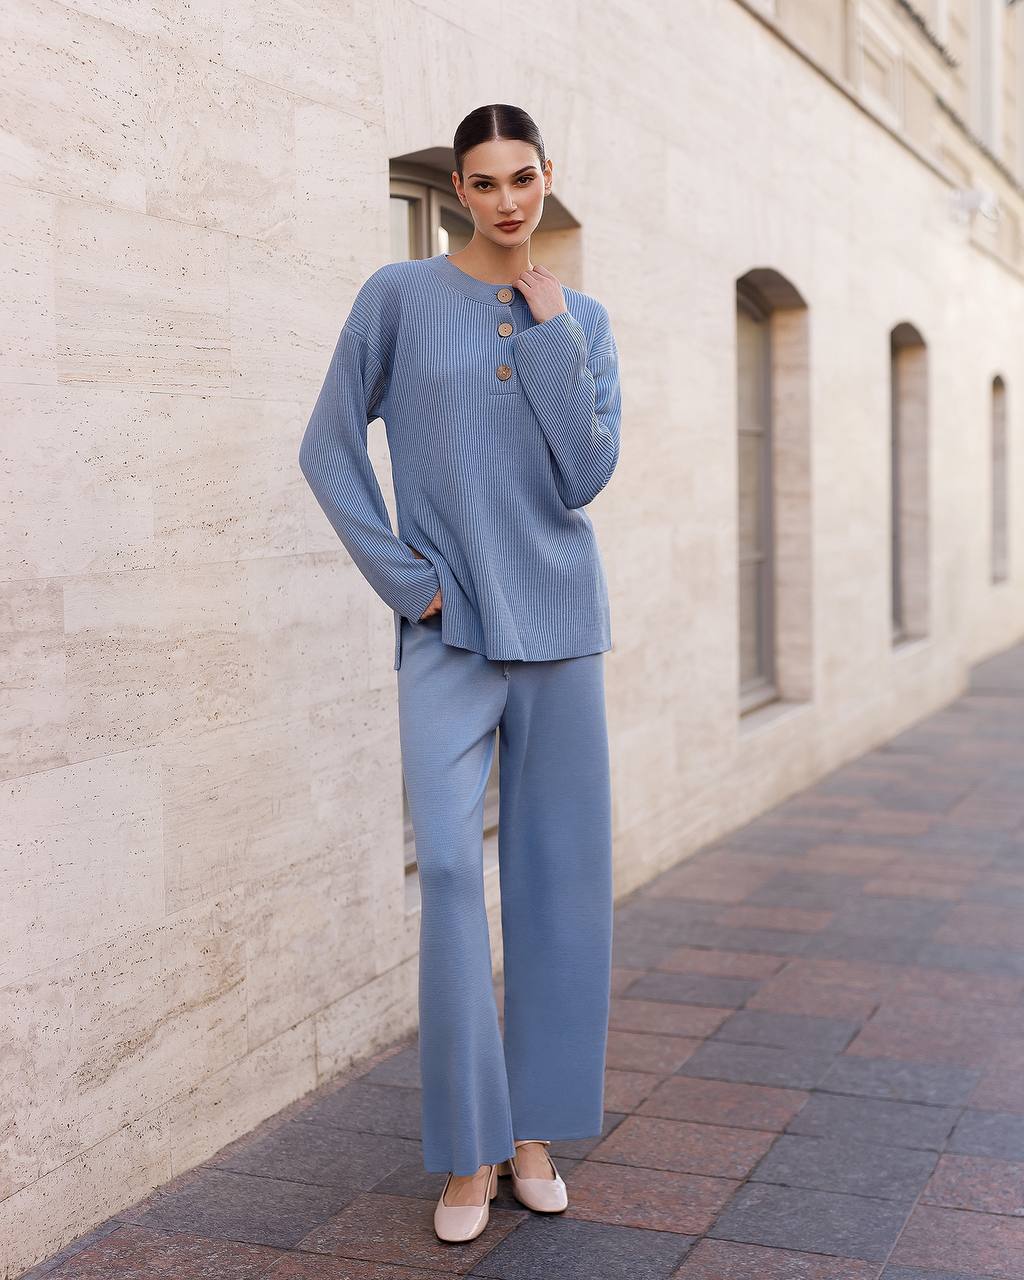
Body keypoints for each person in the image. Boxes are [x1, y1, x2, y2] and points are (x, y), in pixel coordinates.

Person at [298, 103, 622, 1243]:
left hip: (560, 624)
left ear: (547, 177)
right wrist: (407, 581)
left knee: (557, 882)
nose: (506, 201)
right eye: (483, 183)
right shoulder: (396, 298)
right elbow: (327, 444)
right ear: (454, 189)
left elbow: (583, 472)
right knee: (444, 868)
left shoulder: (578, 318)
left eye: (522, 178)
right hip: (446, 631)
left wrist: (546, 326)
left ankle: (532, 1134)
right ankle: (465, 1150)